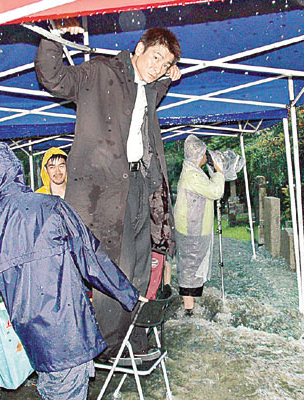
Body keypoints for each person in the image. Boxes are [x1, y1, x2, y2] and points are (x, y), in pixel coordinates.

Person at [35, 20, 181, 359]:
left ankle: (136, 341)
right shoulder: (101, 72)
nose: (158, 67)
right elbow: (54, 78)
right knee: (115, 271)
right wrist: (54, 36)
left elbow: (151, 92)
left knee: (141, 267)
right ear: (139, 49)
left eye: (165, 63)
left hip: (139, 186)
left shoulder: (150, 86)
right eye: (155, 58)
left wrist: (168, 77)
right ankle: (111, 348)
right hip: (103, 193)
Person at [0, 142, 147, 400]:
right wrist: (128, 294)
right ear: (17, 170)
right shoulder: (52, 206)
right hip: (68, 334)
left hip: (32, 337)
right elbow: (91, 259)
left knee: (51, 388)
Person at [174, 134, 224, 316]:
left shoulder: (191, 170)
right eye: (204, 154)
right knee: (190, 267)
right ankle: (189, 311)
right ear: (198, 155)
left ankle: (190, 305)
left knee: (191, 266)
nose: (206, 157)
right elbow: (215, 192)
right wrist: (219, 172)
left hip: (191, 226)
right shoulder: (192, 175)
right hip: (192, 229)